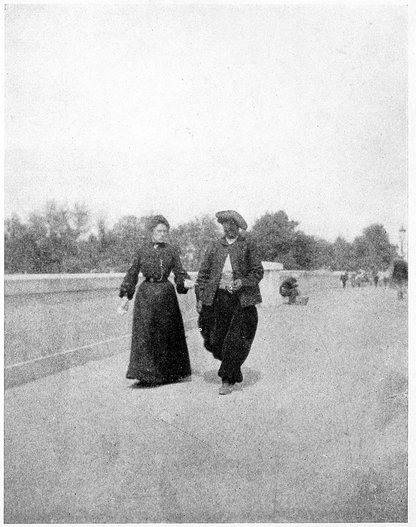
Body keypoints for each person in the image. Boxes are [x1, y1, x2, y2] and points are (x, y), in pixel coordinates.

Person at [118, 215, 194, 386]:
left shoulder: (171, 251)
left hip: (166, 295)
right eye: (159, 231)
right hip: (146, 296)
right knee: (145, 334)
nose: (162, 234)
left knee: (167, 333)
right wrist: (125, 296)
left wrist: (185, 282)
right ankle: (146, 375)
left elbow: (179, 272)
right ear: (152, 232)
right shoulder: (142, 250)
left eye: (165, 231)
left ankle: (169, 374)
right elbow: (132, 273)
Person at [195, 210, 264, 395]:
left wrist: (243, 282)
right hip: (218, 299)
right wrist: (200, 298)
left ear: (238, 227)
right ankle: (233, 367)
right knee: (214, 340)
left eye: (233, 225)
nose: (229, 229)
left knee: (235, 339)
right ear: (222, 226)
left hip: (241, 300)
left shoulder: (247, 245)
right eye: (226, 225)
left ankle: (227, 378)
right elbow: (203, 275)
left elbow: (258, 272)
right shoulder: (214, 246)